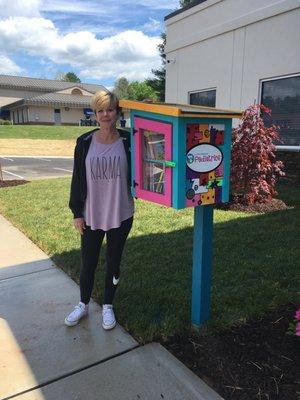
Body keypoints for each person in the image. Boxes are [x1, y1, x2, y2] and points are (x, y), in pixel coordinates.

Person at [65, 90, 134, 330]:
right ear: (95, 114)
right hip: (91, 214)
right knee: (88, 262)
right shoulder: (84, 142)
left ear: (117, 112)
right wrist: (77, 212)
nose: (105, 114)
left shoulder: (129, 140)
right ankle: (82, 304)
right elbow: (77, 178)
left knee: (114, 263)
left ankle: (108, 306)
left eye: (110, 109)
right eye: (100, 110)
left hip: (121, 212)